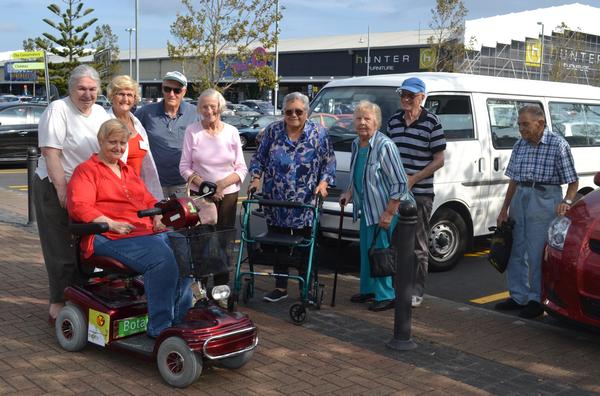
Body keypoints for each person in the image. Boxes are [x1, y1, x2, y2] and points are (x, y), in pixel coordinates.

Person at [67, 119, 193, 337]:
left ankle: (180, 318)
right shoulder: (86, 171)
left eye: (122, 143)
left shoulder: (127, 171)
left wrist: (158, 214)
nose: (118, 147)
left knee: (184, 248)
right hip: (106, 234)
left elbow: (147, 199)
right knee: (161, 259)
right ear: (100, 141)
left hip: (141, 232)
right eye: (112, 142)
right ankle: (160, 328)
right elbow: (79, 206)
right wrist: (110, 222)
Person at [33, 65, 110, 323]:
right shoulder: (58, 110)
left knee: (85, 247)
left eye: (92, 89)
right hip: (56, 185)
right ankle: (58, 302)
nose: (87, 94)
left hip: (86, 189)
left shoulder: (100, 112)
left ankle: (81, 297)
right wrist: (62, 190)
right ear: (71, 89)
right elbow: (51, 152)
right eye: (81, 89)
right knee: (60, 248)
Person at [248, 92, 336, 302]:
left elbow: (329, 163)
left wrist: (324, 183)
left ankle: (309, 286)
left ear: (306, 112)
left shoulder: (319, 133)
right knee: (278, 244)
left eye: (299, 111)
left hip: (306, 201)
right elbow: (258, 158)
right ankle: (280, 287)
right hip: (276, 200)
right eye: (289, 111)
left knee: (306, 244)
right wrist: (255, 178)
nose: (293, 115)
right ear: (283, 112)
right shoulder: (273, 131)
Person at [495, 105, 578, 319]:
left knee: (536, 252)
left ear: (540, 123)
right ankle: (518, 295)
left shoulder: (558, 145)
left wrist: (567, 201)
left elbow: (573, 181)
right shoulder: (519, 145)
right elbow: (513, 178)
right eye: (519, 124)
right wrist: (504, 209)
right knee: (516, 249)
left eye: (525, 124)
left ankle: (536, 299)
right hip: (521, 194)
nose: (521, 129)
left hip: (544, 197)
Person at [340, 101, 412, 312]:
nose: (362, 123)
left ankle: (386, 295)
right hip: (367, 209)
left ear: (377, 123)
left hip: (385, 208)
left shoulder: (385, 146)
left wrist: (389, 212)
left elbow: (400, 182)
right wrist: (348, 193)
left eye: (367, 119)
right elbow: (358, 174)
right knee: (366, 250)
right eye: (359, 118)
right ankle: (369, 290)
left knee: (381, 252)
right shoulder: (356, 144)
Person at [387, 77, 446, 308]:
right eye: (403, 94)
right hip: (395, 193)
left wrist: (413, 179)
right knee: (393, 243)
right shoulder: (393, 122)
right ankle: (394, 289)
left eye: (411, 95)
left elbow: (439, 160)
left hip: (420, 192)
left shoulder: (432, 122)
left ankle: (416, 292)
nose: (405, 99)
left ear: (422, 97)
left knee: (418, 245)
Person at [179, 88, 248, 286]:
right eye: (204, 107)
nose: (209, 111)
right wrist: (205, 186)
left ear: (220, 107)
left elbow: (241, 168)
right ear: (199, 109)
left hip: (228, 195)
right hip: (201, 196)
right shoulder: (193, 131)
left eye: (213, 106)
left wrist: (220, 185)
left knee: (223, 242)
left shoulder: (232, 132)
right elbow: (184, 166)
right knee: (201, 241)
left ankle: (221, 289)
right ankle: (199, 287)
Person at [135, 71, 197, 197]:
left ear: (184, 92)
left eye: (177, 90)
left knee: (181, 217)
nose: (171, 94)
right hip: (154, 182)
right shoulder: (146, 112)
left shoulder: (195, 113)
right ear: (162, 89)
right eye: (167, 89)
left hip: (183, 183)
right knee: (155, 216)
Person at [107, 75, 163, 200]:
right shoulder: (104, 123)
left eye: (130, 95)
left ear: (135, 98)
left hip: (139, 192)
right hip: (115, 193)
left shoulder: (137, 123)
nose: (125, 99)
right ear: (112, 96)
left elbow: (147, 166)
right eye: (120, 94)